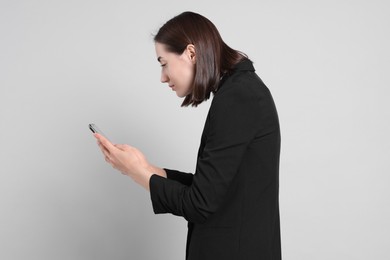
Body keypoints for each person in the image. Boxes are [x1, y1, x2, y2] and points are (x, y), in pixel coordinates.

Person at [94, 11, 282, 260]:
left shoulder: (238, 97)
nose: (162, 77)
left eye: (163, 63)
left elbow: (199, 204)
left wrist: (137, 173)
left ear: (191, 53)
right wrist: (148, 168)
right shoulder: (238, 91)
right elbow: (210, 188)